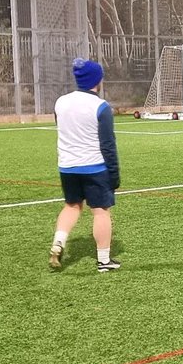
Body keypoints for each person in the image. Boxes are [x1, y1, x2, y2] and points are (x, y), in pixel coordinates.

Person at [49, 58, 121, 273]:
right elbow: (108, 144)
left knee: (72, 206)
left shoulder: (60, 102)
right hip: (95, 167)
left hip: (67, 166)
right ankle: (104, 260)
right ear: (97, 80)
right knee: (100, 211)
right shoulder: (100, 106)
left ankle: (59, 242)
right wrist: (114, 174)